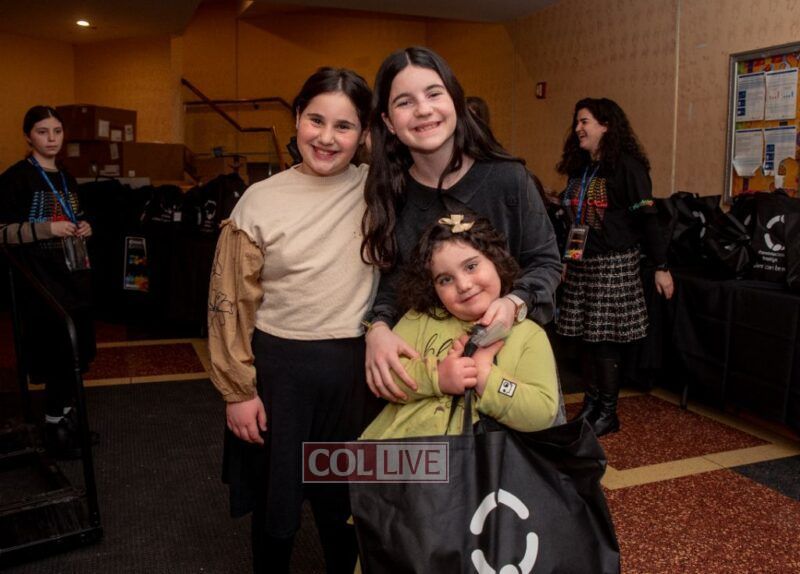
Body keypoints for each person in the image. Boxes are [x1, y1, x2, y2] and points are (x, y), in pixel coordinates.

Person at [207, 67, 378, 574]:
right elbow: (228, 302)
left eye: (344, 126)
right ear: (297, 118)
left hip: (354, 377)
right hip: (280, 374)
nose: (326, 138)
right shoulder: (260, 199)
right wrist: (237, 391)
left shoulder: (380, 190)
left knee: (347, 507)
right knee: (275, 507)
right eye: (315, 120)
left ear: (364, 133)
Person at [361, 46, 562, 404]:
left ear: (455, 100)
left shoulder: (509, 179)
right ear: (389, 122)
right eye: (405, 102)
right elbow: (393, 287)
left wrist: (515, 302)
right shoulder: (392, 194)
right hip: (432, 380)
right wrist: (377, 329)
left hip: (514, 371)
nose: (423, 109)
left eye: (433, 94)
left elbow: (546, 262)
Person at [361, 214, 560, 440]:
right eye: (445, 279)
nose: (464, 285)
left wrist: (484, 376)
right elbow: (385, 376)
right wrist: (438, 377)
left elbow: (541, 412)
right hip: (404, 455)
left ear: (496, 262)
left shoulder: (529, 335)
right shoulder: (419, 319)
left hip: (483, 459)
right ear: (432, 287)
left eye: (471, 266)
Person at [555, 97, 674, 436]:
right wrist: (568, 258)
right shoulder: (582, 168)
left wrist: (661, 265)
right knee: (585, 338)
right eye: (577, 122)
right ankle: (591, 405)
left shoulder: (627, 167)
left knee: (604, 340)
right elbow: (575, 221)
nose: (578, 128)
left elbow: (648, 219)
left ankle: (608, 412)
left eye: (585, 121)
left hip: (613, 263)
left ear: (606, 125)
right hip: (582, 264)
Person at [0, 105, 95, 458]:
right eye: (43, 131)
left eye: (57, 131)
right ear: (28, 136)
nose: (51, 138)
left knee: (77, 353)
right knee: (56, 354)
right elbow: (2, 232)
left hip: (73, 277)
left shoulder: (66, 177)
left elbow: (75, 215)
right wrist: (47, 229)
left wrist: (84, 227)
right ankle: (55, 427)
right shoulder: (15, 179)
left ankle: (67, 419)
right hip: (39, 283)